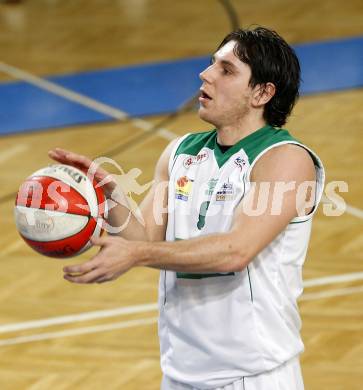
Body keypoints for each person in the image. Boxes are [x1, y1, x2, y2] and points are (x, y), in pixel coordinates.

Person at [49, 26, 325, 390]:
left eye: (226, 70)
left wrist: (135, 253)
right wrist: (109, 193)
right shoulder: (181, 152)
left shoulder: (285, 159)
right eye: (212, 64)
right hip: (181, 374)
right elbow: (145, 237)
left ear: (262, 92)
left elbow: (235, 252)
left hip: (253, 376)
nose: (205, 74)